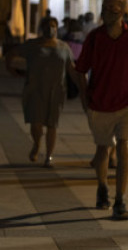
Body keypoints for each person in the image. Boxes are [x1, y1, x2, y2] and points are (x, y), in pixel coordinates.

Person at [74, 0, 128, 220]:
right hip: (100, 103)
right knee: (103, 148)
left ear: (123, 12)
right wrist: (84, 97)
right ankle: (102, 186)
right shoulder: (95, 37)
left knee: (124, 145)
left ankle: (120, 199)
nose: (107, 12)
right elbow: (80, 70)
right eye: (105, 8)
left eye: (113, 9)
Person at [5, 17, 77, 168]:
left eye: (53, 26)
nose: (50, 28)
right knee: (36, 124)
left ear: (57, 28)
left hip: (56, 91)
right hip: (35, 90)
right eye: (48, 26)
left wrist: (82, 87)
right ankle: (37, 144)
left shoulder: (64, 48)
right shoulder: (33, 45)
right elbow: (12, 53)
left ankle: (49, 155)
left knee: (52, 124)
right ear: (42, 28)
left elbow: (71, 69)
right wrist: (11, 69)